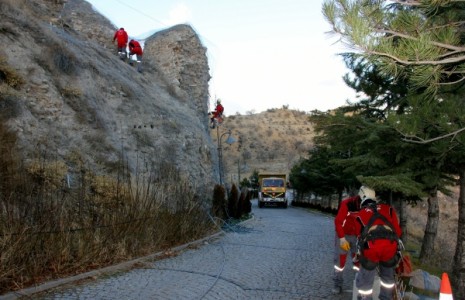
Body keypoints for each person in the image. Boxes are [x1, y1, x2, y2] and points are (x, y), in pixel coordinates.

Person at [354, 191, 402, 300]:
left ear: (363, 199)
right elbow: (398, 232)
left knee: (366, 280)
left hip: (371, 249)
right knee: (388, 278)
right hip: (390, 247)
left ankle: (365, 297)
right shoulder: (388, 209)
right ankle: (386, 297)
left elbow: (359, 235)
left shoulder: (360, 214)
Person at [332, 186, 374, 294]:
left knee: (358, 262)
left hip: (358, 237)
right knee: (340, 262)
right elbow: (338, 222)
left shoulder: (368, 207)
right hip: (343, 236)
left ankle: (358, 286)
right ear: (361, 196)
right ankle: (337, 284)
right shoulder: (347, 204)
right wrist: (341, 238)